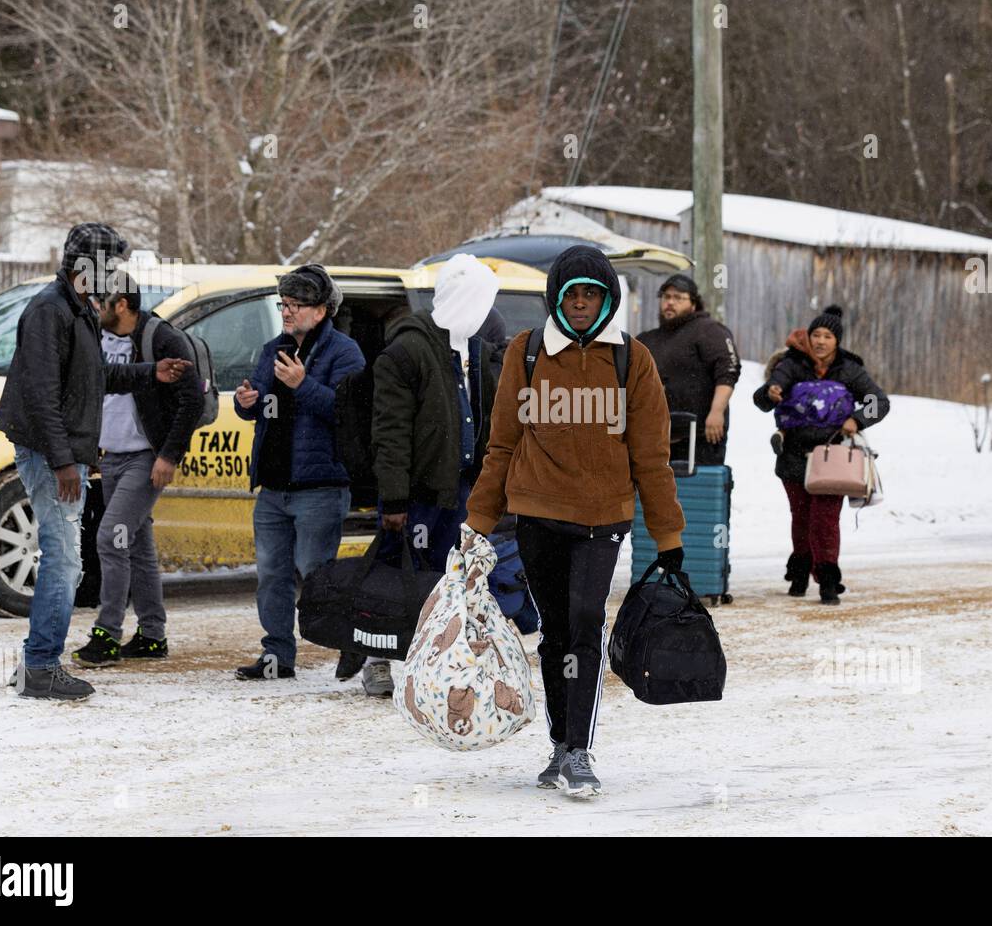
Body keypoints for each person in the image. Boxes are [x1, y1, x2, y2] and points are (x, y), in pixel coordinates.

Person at [465, 244, 684, 796]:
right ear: (556, 299)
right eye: (573, 294)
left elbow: (651, 456)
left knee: (586, 623)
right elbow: (502, 443)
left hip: (602, 518)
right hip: (538, 514)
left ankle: (581, 752)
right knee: (555, 632)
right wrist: (478, 521)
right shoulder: (528, 351)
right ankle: (560, 744)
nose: (582, 303)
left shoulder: (631, 360)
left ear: (607, 298)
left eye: (592, 293)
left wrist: (668, 534)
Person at [0, 223, 191, 699]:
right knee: (63, 564)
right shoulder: (49, 310)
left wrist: (150, 372)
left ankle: (35, 663)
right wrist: (63, 461)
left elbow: (94, 375)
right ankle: (41, 665)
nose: (115, 275)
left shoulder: (77, 308)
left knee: (67, 562)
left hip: (67, 454)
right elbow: (40, 394)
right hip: (51, 454)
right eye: (110, 266)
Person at [367, 253, 501, 696]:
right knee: (402, 577)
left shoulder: (475, 349)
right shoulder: (408, 350)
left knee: (457, 582)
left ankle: (444, 664)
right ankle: (380, 658)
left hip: (463, 489)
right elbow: (390, 430)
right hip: (420, 492)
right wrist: (395, 499)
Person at [232, 264, 365, 680]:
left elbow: (347, 414)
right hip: (272, 485)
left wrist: (302, 384)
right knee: (271, 576)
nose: (286, 312)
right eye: (283, 304)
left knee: (318, 575)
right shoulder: (273, 348)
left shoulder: (346, 353)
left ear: (321, 310)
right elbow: (254, 407)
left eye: (295, 305)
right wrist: (246, 402)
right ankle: (277, 655)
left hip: (320, 487)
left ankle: (350, 643)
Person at [71, 271, 204, 667]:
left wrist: (169, 455)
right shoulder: (97, 337)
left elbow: (191, 401)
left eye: (101, 302)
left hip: (145, 458)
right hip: (112, 457)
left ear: (122, 305)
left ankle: (107, 635)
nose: (95, 308)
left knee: (112, 539)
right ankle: (151, 635)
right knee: (137, 545)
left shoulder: (161, 338)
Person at [753, 305, 889, 605]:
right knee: (801, 518)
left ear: (836, 340)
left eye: (827, 335)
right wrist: (771, 392)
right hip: (793, 456)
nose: (820, 341)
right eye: (816, 334)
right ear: (809, 337)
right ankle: (800, 573)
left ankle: (828, 580)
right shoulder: (791, 364)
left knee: (825, 520)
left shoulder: (850, 369)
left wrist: (857, 419)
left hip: (831, 457)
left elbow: (879, 401)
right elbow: (761, 398)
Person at [637, 274, 741, 466]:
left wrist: (716, 412)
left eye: (678, 298)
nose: (670, 302)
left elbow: (728, 370)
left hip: (701, 435)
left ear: (693, 303)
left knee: (697, 493)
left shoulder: (709, 330)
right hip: (657, 437)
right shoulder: (647, 339)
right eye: (666, 297)